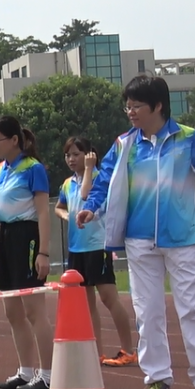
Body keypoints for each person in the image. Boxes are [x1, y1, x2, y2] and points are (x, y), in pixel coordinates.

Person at [79, 75, 195, 389]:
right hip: (139, 242)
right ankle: (157, 379)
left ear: (158, 106)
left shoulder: (189, 140)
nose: (130, 112)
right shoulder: (125, 144)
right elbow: (104, 181)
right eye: (127, 106)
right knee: (148, 312)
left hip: (183, 239)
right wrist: (90, 208)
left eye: (136, 106)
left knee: (192, 310)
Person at [0, 116, 54, 389]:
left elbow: (44, 212)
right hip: (6, 238)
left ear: (14, 140)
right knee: (12, 313)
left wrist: (44, 252)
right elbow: (0, 213)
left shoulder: (33, 168)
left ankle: (47, 375)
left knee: (34, 311)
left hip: (28, 238)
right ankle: (25, 372)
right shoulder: (0, 169)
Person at [56, 137, 136, 367]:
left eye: (76, 154)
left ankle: (128, 349)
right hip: (76, 248)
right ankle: (96, 352)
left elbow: (85, 196)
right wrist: (67, 216)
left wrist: (90, 168)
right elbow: (59, 207)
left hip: (97, 246)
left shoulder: (100, 178)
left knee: (109, 298)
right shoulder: (67, 183)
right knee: (86, 304)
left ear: (89, 154)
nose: (71, 159)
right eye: (68, 155)